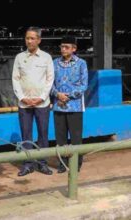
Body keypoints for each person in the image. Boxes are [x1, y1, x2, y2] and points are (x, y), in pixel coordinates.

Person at [12, 27, 54, 177]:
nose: (29, 41)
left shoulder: (46, 58)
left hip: (42, 104)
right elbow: (15, 79)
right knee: (26, 134)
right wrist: (22, 97)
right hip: (24, 104)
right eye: (27, 38)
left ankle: (42, 163)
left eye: (32, 38)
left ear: (39, 40)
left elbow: (50, 79)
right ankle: (27, 164)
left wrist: (41, 97)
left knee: (43, 134)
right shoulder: (19, 57)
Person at [51, 36, 88, 173]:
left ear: (74, 48)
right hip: (58, 105)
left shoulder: (81, 64)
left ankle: (76, 164)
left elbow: (84, 85)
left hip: (75, 106)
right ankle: (62, 164)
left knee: (76, 137)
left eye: (66, 47)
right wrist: (57, 94)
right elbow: (49, 83)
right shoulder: (54, 63)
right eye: (61, 46)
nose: (63, 49)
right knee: (60, 138)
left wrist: (69, 96)